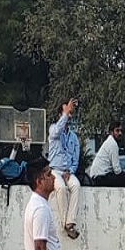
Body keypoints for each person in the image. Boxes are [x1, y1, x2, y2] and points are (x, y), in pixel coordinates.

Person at [47, 97, 82, 239]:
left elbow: (76, 158)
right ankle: (65, 223)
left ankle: (70, 222)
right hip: (55, 169)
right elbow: (56, 132)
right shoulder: (53, 129)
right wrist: (66, 113)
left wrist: (70, 170)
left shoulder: (73, 137)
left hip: (67, 171)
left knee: (76, 185)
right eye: (66, 111)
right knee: (61, 188)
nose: (69, 115)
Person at [88, 121, 125, 187]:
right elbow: (117, 170)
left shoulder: (110, 141)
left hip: (98, 176)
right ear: (111, 132)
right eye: (117, 130)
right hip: (101, 177)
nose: (120, 133)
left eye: (121, 131)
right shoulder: (113, 144)